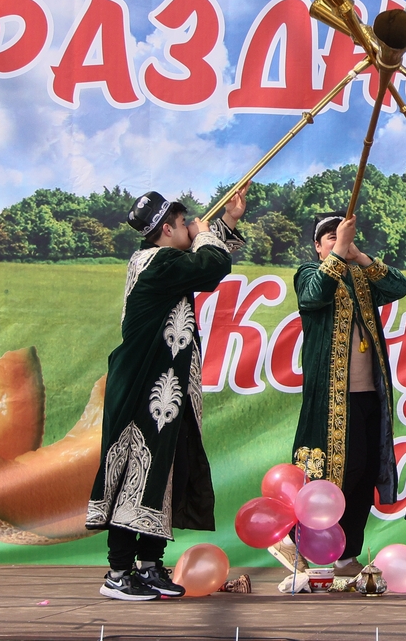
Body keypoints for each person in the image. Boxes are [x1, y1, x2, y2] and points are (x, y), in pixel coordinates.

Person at [87, 186, 247, 601]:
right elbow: (211, 264)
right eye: (182, 223)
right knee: (135, 471)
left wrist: (227, 220)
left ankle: (149, 565)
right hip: (144, 385)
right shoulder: (158, 262)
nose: (189, 227)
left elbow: (202, 261)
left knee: (164, 472)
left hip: (164, 386)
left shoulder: (162, 260)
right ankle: (118, 574)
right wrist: (206, 232)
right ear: (167, 230)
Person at [292, 212, 406, 578]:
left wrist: (359, 256)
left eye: (341, 234)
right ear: (317, 246)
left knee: (365, 474)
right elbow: (313, 297)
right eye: (329, 236)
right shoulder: (309, 273)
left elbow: (399, 287)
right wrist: (339, 252)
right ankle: (302, 546)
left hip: (369, 395)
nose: (337, 240)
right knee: (333, 473)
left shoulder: (361, 278)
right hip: (331, 399)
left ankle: (346, 555)